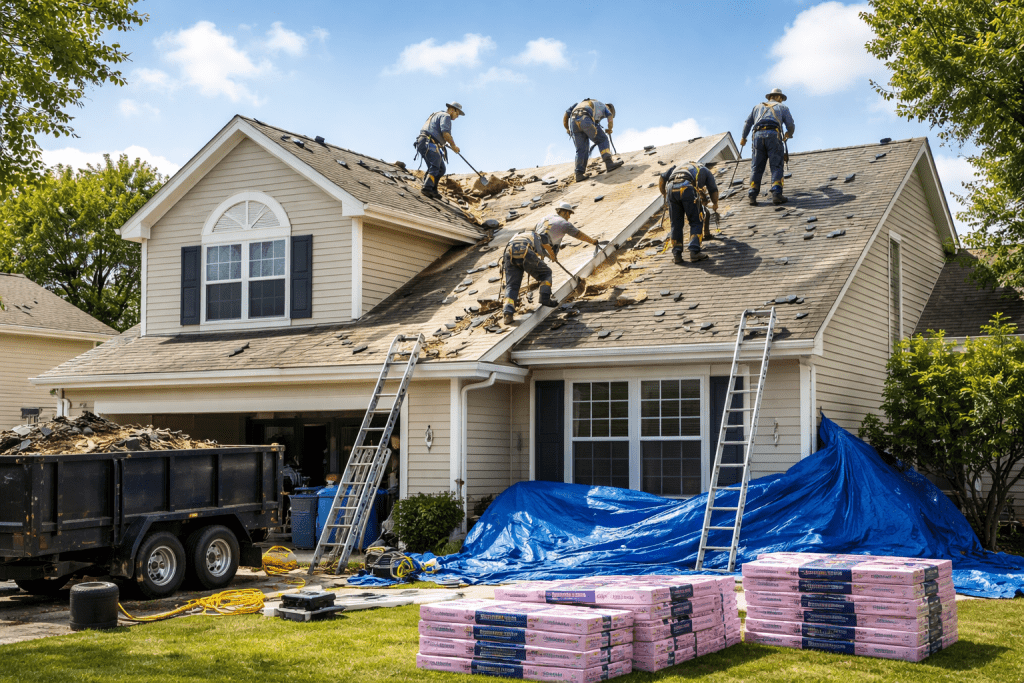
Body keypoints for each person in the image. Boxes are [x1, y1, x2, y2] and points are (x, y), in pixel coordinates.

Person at [502, 201, 603, 325]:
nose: (569, 216)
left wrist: (545, 256)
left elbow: (538, 239)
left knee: (512, 285)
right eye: (569, 214)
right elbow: (576, 235)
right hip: (526, 250)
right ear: (564, 212)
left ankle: (507, 313)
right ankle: (545, 298)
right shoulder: (564, 224)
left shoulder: (544, 219)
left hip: (509, 251)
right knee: (546, 273)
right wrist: (593, 241)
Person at [740, 88, 795, 206]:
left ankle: (752, 195)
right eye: (782, 98)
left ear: (770, 96)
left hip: (757, 136)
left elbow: (747, 123)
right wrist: (788, 134)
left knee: (757, 166)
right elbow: (790, 124)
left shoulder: (757, 107)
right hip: (773, 135)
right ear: (779, 97)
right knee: (776, 165)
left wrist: (743, 138)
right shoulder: (783, 107)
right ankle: (776, 194)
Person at [659, 162, 719, 263]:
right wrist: (715, 203)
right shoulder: (704, 170)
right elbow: (713, 189)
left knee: (676, 224)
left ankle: (677, 255)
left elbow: (662, 178)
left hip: (671, 189)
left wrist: (664, 193)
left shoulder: (678, 167)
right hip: (687, 188)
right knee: (695, 221)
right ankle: (694, 252)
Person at [563, 99, 624, 182]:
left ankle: (579, 174)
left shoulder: (580, 104)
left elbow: (566, 115)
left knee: (581, 149)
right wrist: (610, 128)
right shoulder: (604, 106)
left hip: (574, 123)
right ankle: (609, 163)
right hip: (585, 119)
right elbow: (609, 116)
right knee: (603, 139)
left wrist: (567, 128)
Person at [414, 102, 464, 199]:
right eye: (457, 114)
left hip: (424, 142)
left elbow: (435, 131)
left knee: (441, 168)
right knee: (435, 166)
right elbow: (446, 134)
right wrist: (454, 146)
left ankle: (433, 190)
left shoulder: (437, 114)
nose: (457, 117)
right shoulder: (446, 116)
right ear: (452, 110)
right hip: (429, 143)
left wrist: (441, 142)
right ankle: (427, 188)